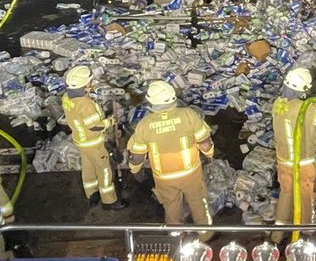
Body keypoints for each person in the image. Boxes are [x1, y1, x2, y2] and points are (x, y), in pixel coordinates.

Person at [127, 81, 214, 233]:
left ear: (151, 102)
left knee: (172, 207)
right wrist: (209, 156)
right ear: (173, 98)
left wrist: (135, 170)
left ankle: (175, 236)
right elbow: (205, 143)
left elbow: (137, 155)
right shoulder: (188, 115)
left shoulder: (144, 125)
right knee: (199, 203)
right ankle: (206, 234)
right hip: (191, 173)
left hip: (164, 178)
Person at [270, 67, 316, 240]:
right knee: (306, 195)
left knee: (286, 193)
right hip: (303, 163)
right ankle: (306, 229)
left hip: (283, 161)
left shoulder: (278, 104)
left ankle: (278, 233)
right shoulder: (306, 110)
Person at [62, 66, 126, 210]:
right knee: (104, 170)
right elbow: (95, 126)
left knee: (88, 168)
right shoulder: (85, 104)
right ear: (85, 84)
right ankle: (109, 201)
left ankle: (92, 193)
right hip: (93, 143)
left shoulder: (67, 98)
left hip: (81, 141)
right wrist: (110, 121)